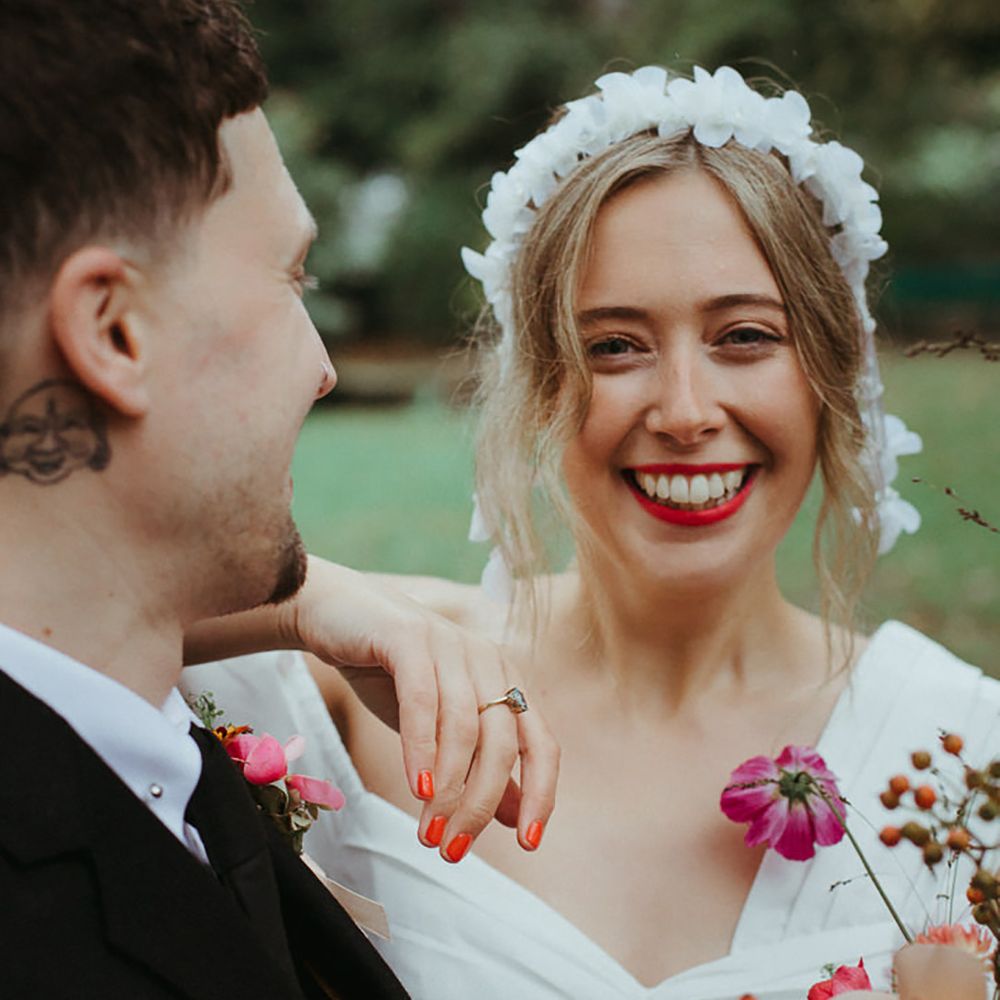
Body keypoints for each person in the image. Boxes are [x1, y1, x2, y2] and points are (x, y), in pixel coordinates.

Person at [187, 66, 1000, 998]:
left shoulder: (962, 754)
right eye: (614, 346)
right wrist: (307, 603)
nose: (686, 412)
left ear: (830, 373)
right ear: (539, 385)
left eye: (744, 336)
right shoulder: (365, 677)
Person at [0, 3, 557, 998]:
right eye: (291, 277)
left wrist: (302, 605)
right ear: (116, 331)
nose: (325, 367)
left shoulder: (141, 758)